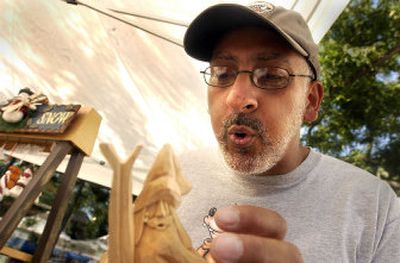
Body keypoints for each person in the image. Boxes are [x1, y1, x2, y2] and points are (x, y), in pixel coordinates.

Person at [177, 1, 400, 263]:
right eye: (223, 73)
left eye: (271, 76)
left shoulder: (372, 204)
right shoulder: (176, 174)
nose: (237, 98)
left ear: (311, 101)